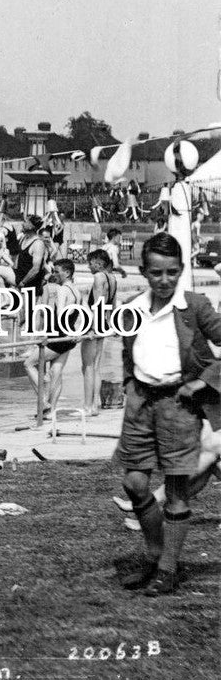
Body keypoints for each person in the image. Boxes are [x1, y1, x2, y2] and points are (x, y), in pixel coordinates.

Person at [114, 233, 221, 595]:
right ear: (143, 271)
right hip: (141, 404)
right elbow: (128, 349)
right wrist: (129, 382)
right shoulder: (131, 307)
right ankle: (156, 554)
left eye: (172, 272)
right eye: (157, 273)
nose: (165, 280)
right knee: (135, 483)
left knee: (176, 490)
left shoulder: (195, 306)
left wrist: (204, 382)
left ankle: (166, 569)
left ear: (181, 270)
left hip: (179, 406)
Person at [22, 258, 81, 416]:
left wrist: (48, 335)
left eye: (56, 271)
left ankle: (43, 401)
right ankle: (50, 412)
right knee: (56, 371)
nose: (54, 274)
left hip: (59, 336)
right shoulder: (76, 290)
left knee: (29, 364)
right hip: (68, 337)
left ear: (67, 273)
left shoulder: (62, 289)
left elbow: (61, 313)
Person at [81, 249, 118, 416]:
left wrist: (92, 328)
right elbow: (113, 306)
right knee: (95, 366)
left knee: (87, 366)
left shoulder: (98, 277)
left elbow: (96, 304)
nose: (88, 266)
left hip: (94, 323)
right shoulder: (113, 278)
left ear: (99, 263)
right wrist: (112, 325)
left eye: (91, 262)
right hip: (103, 323)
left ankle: (88, 407)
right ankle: (94, 405)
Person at [14, 214, 48, 295]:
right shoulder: (23, 238)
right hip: (19, 275)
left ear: (31, 226)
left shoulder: (38, 243)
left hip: (30, 281)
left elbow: (36, 269)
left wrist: (23, 282)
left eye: (25, 222)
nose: (22, 224)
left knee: (27, 307)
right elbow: (18, 258)